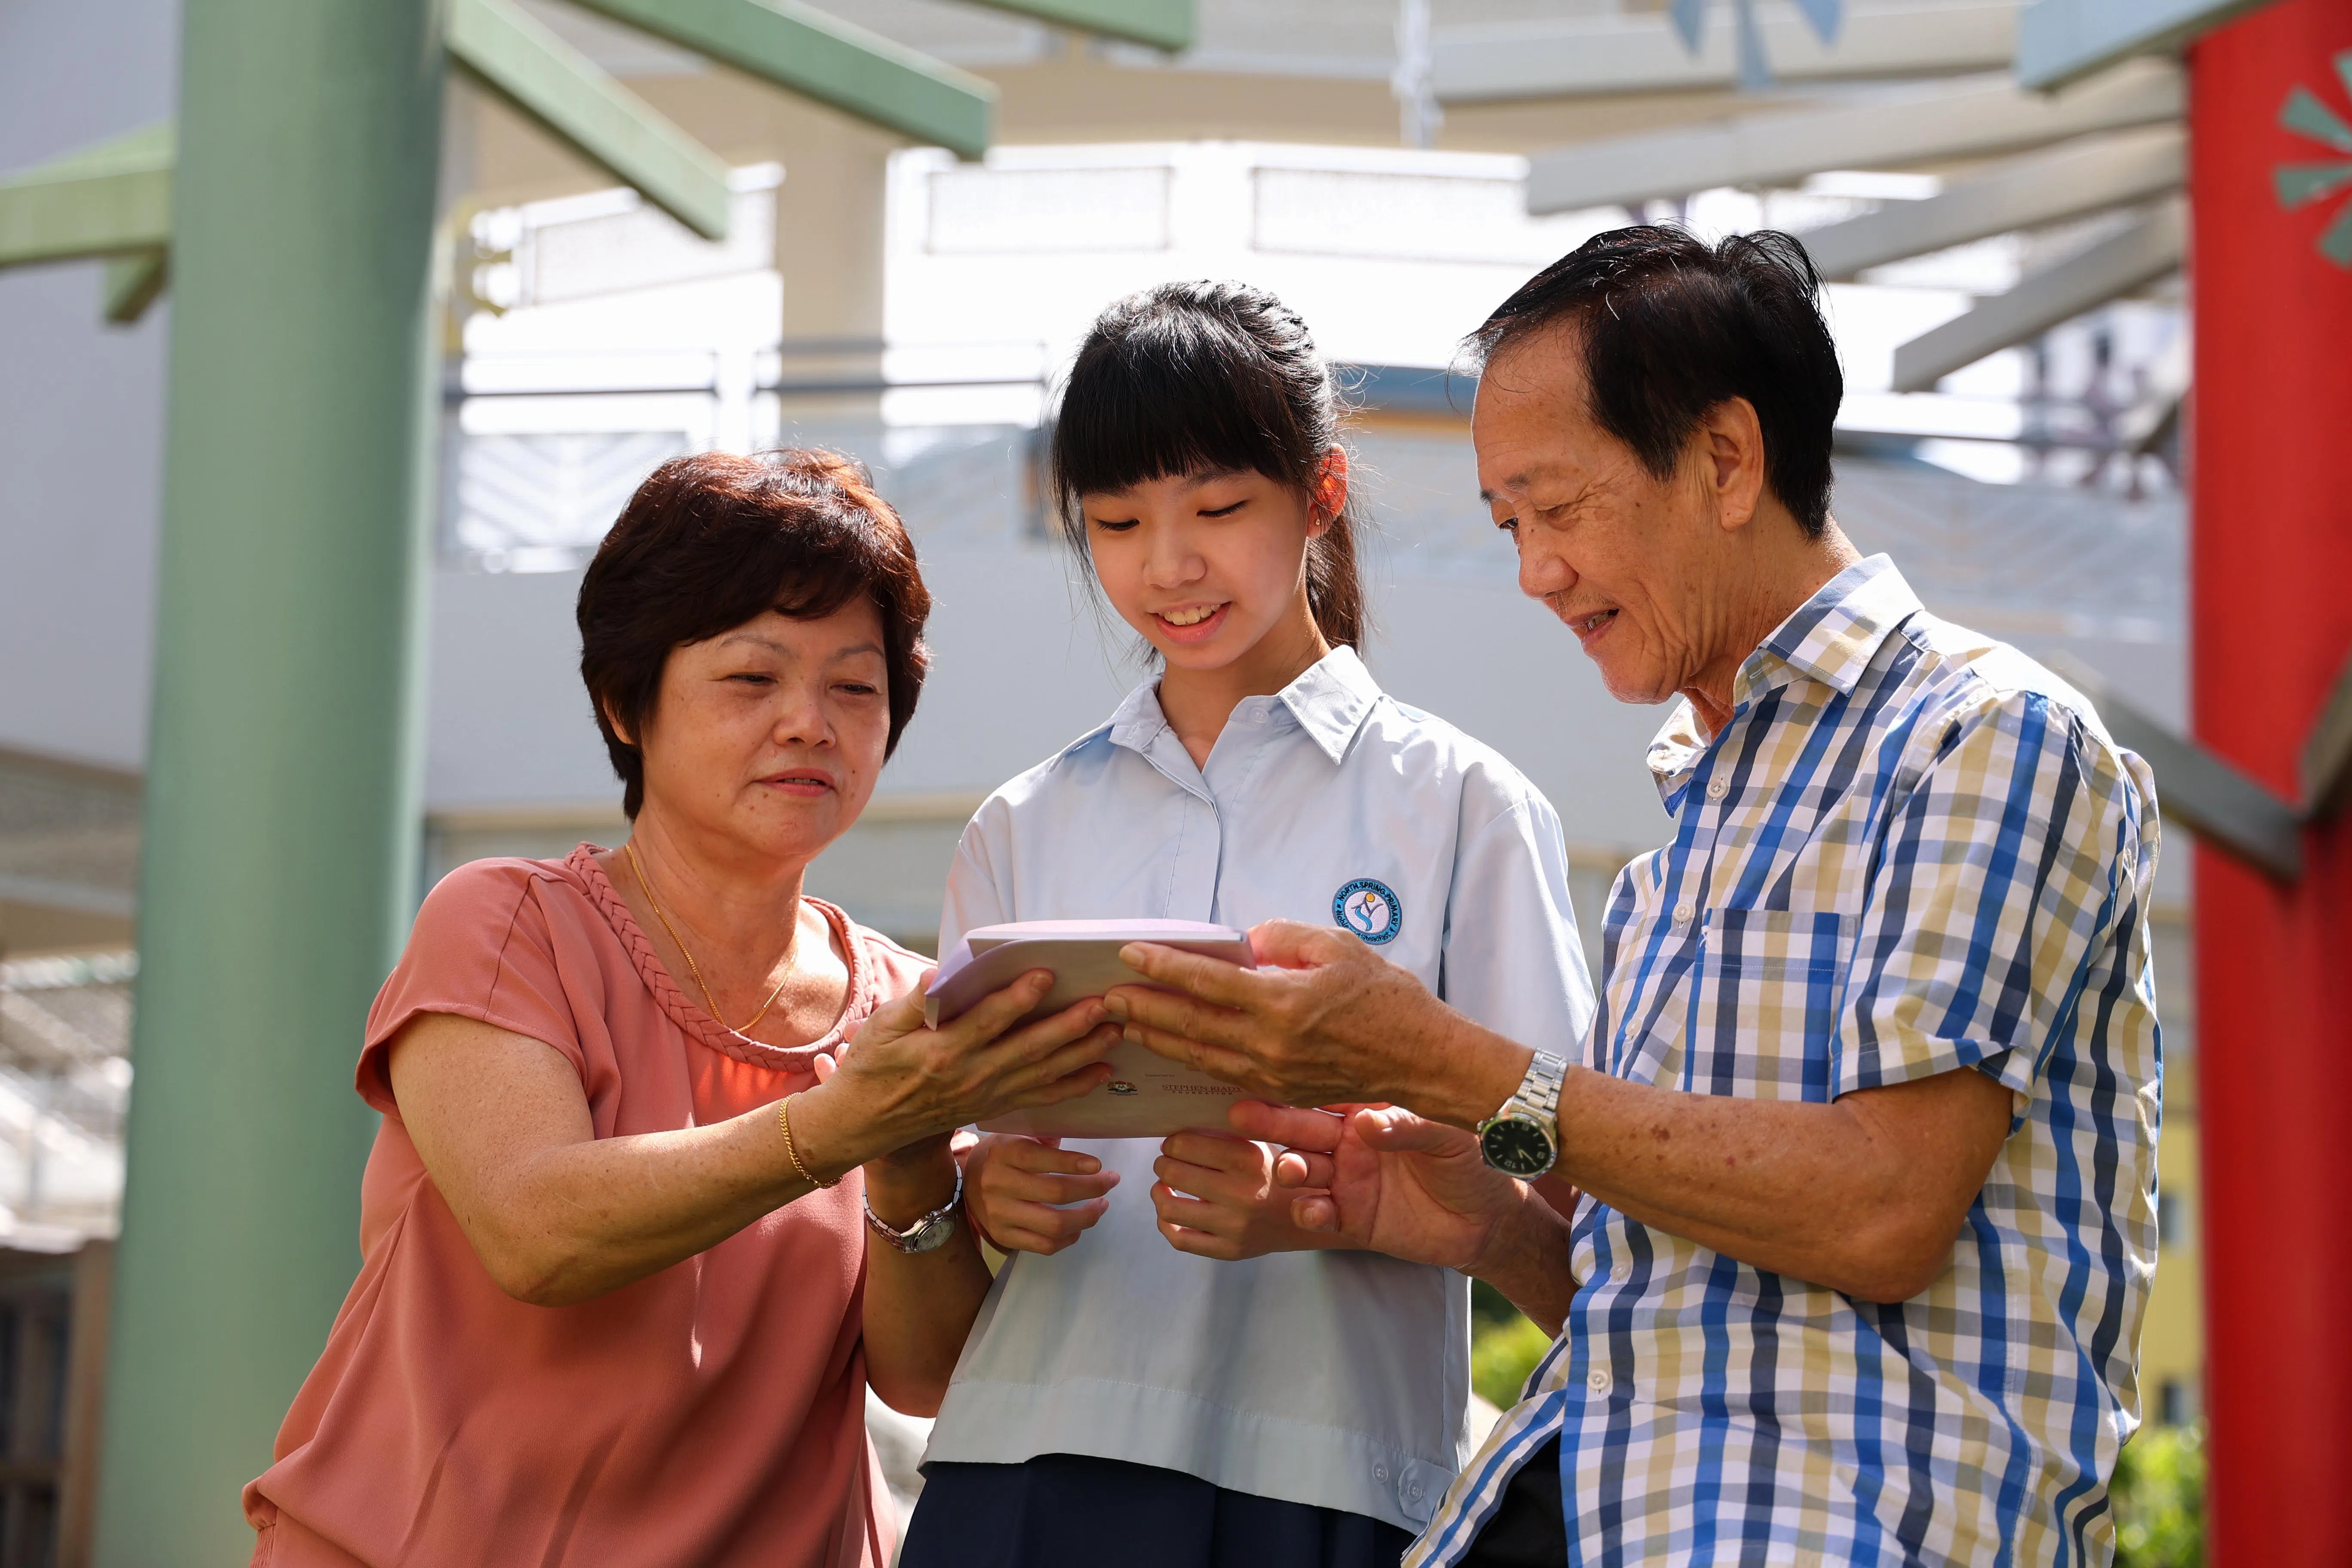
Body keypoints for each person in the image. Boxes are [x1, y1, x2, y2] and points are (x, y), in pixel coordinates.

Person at [1104, 230, 2164, 1565]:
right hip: (1594, 1512)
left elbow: (1884, 1211)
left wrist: (1451, 1063)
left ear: (1726, 459)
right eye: (1509, 526)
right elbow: (1675, 1317)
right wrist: (1491, 1227)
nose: (1535, 571)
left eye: (1558, 508)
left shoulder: (1986, 738)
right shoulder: (1679, 850)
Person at [243, 450, 1119, 1568]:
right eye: (752, 680)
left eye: (856, 687)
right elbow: (538, 1233)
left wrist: (915, 1180)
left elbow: (924, 1380)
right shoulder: (509, 925)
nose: (811, 723)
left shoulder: (904, 1007)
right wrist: (844, 1126)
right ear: (626, 702)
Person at [894, 282, 1597, 1568]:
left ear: (1321, 494)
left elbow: (1553, 1167)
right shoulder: (1022, 823)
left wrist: (1333, 1190)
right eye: (1117, 522)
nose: (1168, 565)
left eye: (1219, 509)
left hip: (1322, 1466)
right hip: (1023, 1459)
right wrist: (989, 1185)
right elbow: (966, 1134)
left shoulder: (1459, 805)